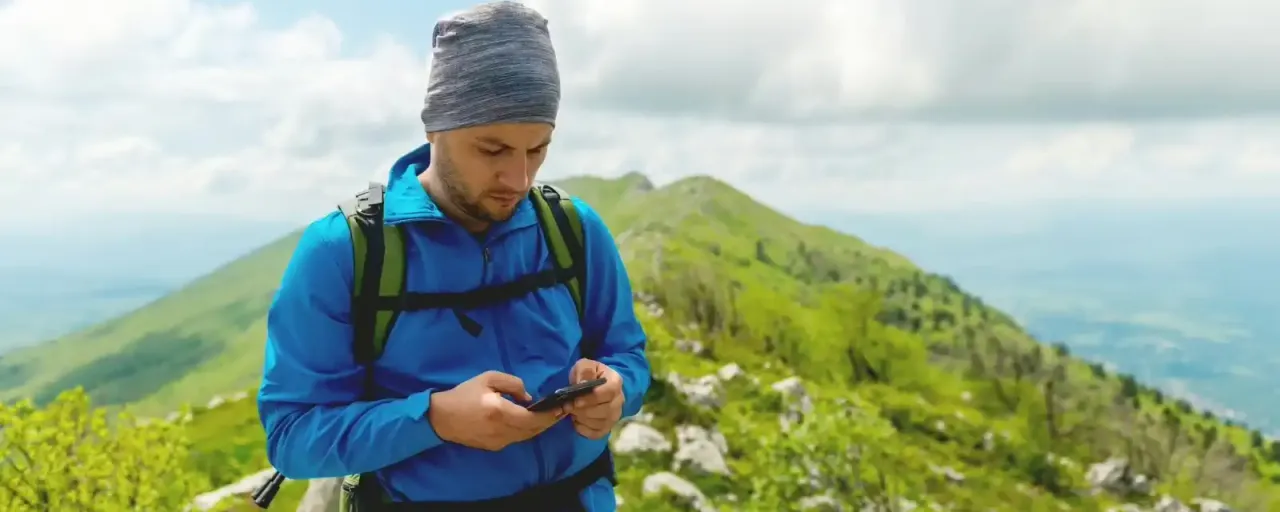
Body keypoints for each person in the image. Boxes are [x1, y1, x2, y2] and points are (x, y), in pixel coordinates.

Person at [256, 2, 651, 511]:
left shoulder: (574, 230)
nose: (519, 179)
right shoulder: (345, 253)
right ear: (435, 128)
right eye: (492, 150)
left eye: (537, 149)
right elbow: (292, 438)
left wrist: (617, 391)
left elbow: (629, 356)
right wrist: (435, 417)